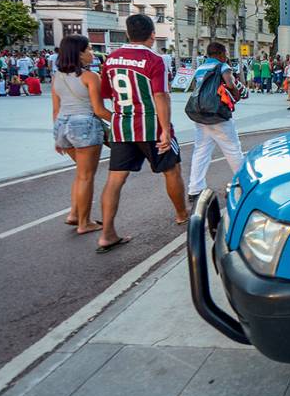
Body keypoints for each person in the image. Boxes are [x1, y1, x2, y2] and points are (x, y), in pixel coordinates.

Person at [97, 14, 189, 253]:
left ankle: (107, 233)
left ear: (128, 34)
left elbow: (106, 94)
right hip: (151, 126)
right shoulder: (154, 59)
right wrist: (166, 130)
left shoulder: (111, 59)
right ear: (152, 35)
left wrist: (116, 117)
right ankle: (182, 215)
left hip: (121, 127)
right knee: (171, 170)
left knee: (115, 180)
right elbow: (160, 95)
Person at [52, 34, 112, 235]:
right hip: (84, 126)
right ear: (79, 53)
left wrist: (57, 138)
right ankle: (84, 223)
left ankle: (75, 214)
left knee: (80, 174)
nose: (91, 53)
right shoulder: (90, 77)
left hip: (62, 126)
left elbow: (56, 110)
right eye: (88, 49)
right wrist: (121, 121)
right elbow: (99, 110)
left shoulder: (57, 77)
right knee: (87, 176)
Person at [187, 42, 245, 204]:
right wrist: (235, 92)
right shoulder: (222, 66)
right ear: (220, 54)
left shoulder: (200, 68)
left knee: (201, 151)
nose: (226, 56)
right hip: (218, 115)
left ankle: (195, 189)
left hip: (201, 115)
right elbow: (230, 83)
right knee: (233, 149)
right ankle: (242, 184)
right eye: (225, 53)